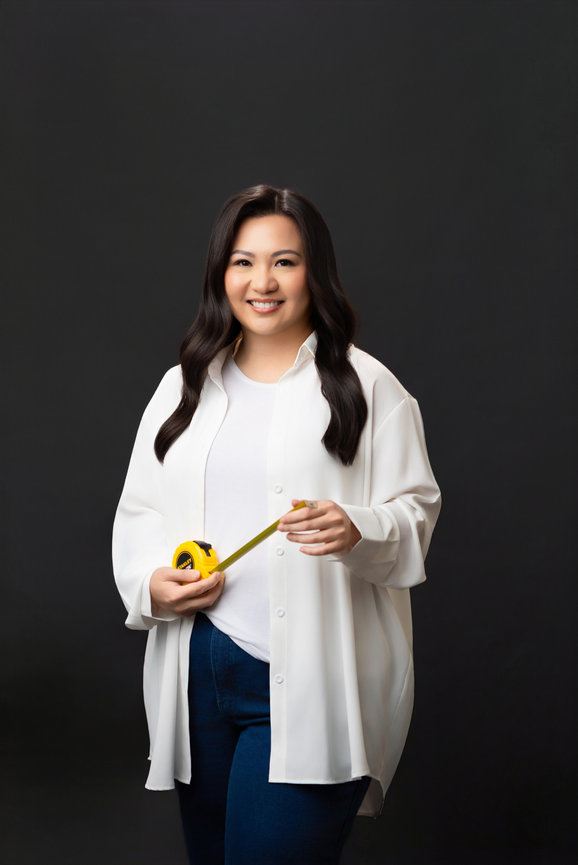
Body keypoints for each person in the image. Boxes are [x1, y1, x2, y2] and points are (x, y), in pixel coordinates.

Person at [112, 185, 441, 865]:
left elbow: (416, 511)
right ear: (220, 273)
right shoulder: (182, 386)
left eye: (284, 262)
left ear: (314, 272)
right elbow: (141, 511)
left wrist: (358, 527)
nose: (262, 282)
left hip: (311, 676)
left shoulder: (367, 386)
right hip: (197, 673)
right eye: (243, 262)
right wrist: (151, 585)